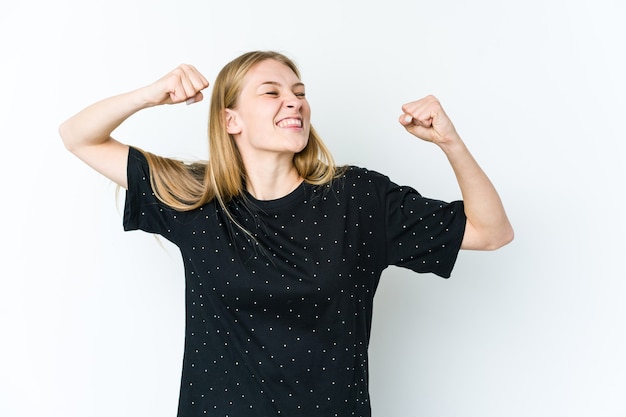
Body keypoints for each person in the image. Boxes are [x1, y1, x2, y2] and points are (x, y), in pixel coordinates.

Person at [59, 50, 513, 417]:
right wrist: (149, 95)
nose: (293, 101)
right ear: (230, 120)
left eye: (298, 92)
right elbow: (78, 136)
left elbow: (491, 231)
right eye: (271, 92)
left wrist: (450, 142)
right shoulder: (195, 199)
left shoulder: (358, 198)